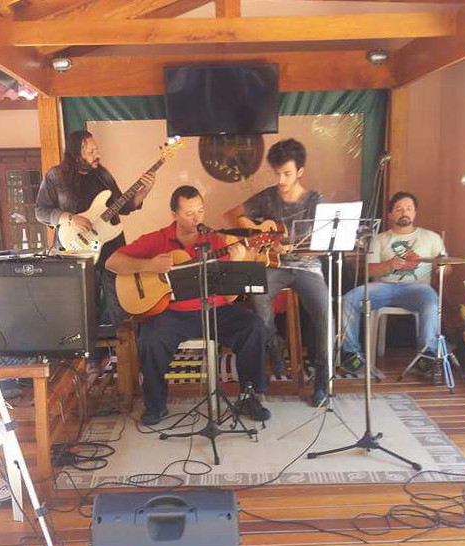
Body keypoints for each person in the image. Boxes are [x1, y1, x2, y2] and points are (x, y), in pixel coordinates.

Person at [106, 185, 270, 425]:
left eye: (200, 211)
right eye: (189, 213)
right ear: (174, 214)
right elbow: (112, 262)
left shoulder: (217, 240)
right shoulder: (157, 239)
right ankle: (155, 405)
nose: (197, 218)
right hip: (172, 313)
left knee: (253, 326)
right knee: (150, 338)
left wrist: (236, 263)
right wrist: (149, 265)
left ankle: (249, 397)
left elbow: (230, 298)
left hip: (214, 309)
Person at [224, 138, 329, 406]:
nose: (281, 180)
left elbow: (323, 245)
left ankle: (321, 378)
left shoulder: (315, 200)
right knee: (258, 294)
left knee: (324, 313)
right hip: (275, 265)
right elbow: (232, 215)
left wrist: (295, 247)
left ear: (300, 172)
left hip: (307, 266)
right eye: (277, 173)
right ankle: (273, 345)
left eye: (287, 174)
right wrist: (260, 231)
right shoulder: (268, 196)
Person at [35, 129, 155, 324]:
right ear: (75, 154)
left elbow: (123, 206)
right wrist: (69, 218)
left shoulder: (102, 175)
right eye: (91, 152)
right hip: (77, 250)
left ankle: (123, 342)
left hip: (110, 249)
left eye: (97, 150)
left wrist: (145, 190)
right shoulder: (56, 176)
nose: (97, 155)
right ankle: (91, 345)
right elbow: (41, 211)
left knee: (120, 308)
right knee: (82, 312)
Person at [341, 191, 445, 373]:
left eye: (409, 208)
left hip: (417, 289)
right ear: (390, 214)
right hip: (383, 287)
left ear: (415, 212)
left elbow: (445, 264)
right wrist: (389, 264)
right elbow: (369, 270)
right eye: (399, 209)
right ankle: (351, 354)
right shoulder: (379, 239)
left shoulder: (431, 238)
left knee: (432, 301)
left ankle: (427, 355)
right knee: (350, 299)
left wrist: (444, 269)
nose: (405, 212)